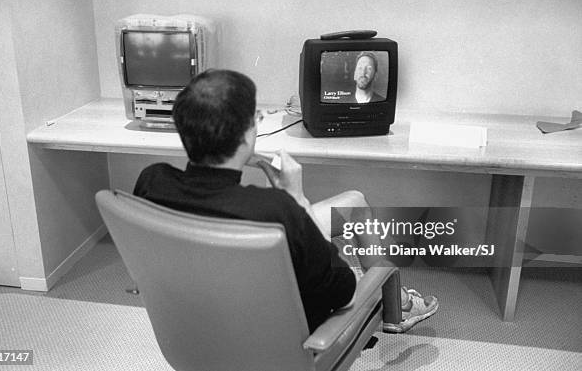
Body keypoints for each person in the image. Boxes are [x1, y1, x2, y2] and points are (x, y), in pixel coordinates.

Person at [133, 69, 438, 333]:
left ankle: (395, 301)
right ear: (246, 134)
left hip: (198, 321)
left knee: (353, 201)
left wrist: (238, 157)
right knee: (351, 267)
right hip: (282, 333)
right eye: (255, 117)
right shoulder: (277, 208)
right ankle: (395, 305)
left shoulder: (152, 180)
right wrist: (296, 199)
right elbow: (342, 291)